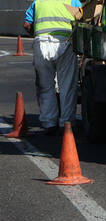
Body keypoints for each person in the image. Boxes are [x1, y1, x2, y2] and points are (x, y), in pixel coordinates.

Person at [23, 0, 83, 135]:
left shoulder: (37, 2)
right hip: (65, 43)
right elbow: (84, 17)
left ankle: (49, 122)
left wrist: (37, 36)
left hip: (41, 43)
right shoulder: (72, 1)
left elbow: (27, 24)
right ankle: (67, 123)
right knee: (67, 85)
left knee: (45, 86)